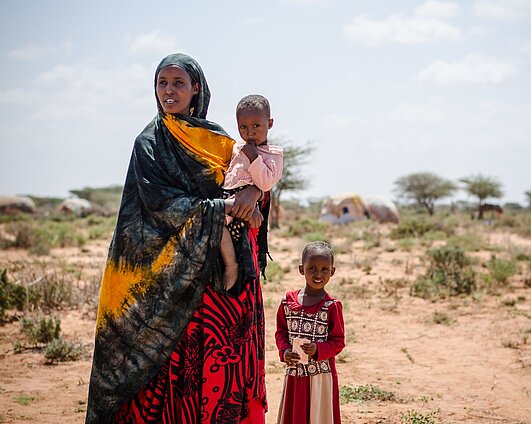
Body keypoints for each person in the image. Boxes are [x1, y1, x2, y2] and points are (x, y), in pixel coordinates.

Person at [85, 53, 268, 423]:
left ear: (195, 88)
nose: (169, 91)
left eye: (178, 83)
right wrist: (223, 208)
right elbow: (157, 203)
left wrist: (254, 195)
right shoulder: (149, 143)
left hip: (220, 277)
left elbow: (252, 176)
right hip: (166, 275)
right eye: (162, 83)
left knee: (224, 353)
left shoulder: (216, 139)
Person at [275, 241, 346, 424]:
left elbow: (338, 341)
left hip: (320, 377)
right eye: (312, 268)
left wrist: (318, 350)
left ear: (332, 271)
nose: (318, 274)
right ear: (301, 269)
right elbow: (281, 332)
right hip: (294, 375)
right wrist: (284, 352)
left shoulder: (332, 306)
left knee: (318, 416)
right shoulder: (287, 302)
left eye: (324, 269)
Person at [219, 94, 283, 289]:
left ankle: (233, 266)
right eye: (243, 127)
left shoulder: (273, 154)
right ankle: (229, 265)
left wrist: (254, 157)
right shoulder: (236, 147)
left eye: (257, 125)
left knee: (240, 242)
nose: (250, 132)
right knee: (212, 224)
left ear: (270, 123)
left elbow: (265, 184)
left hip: (246, 207)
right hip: (226, 197)